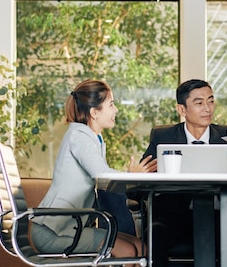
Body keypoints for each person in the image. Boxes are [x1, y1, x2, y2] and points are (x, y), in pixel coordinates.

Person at [31, 79, 157, 265]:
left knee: (142, 248)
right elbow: (101, 174)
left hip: (70, 226)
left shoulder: (92, 138)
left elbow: (103, 177)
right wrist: (132, 175)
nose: (116, 110)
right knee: (129, 251)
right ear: (94, 112)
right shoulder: (79, 136)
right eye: (111, 105)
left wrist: (131, 175)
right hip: (53, 232)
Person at [141, 79, 227, 267]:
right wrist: (140, 174)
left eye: (211, 101)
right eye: (199, 103)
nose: (207, 108)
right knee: (156, 233)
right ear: (182, 110)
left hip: (219, 215)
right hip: (174, 215)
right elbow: (140, 186)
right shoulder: (163, 138)